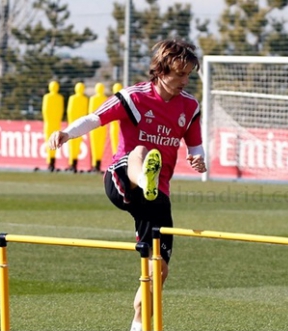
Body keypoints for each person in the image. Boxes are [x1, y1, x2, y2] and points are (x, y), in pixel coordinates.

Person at [48, 38, 207, 331]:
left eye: (188, 74)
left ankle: (136, 325)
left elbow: (195, 147)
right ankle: (143, 175)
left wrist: (198, 160)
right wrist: (67, 134)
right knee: (140, 152)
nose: (185, 80)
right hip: (121, 178)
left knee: (157, 271)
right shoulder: (133, 97)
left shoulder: (190, 106)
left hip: (156, 196)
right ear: (160, 70)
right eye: (180, 74)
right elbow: (95, 118)